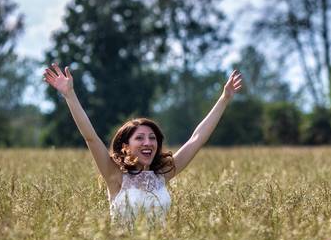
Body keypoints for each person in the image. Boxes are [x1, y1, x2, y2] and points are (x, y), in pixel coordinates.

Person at [43, 62, 243, 222]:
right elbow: (91, 137)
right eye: (139, 138)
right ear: (125, 146)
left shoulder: (163, 173)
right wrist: (69, 95)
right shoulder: (114, 175)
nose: (148, 143)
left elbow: (196, 139)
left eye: (152, 138)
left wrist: (224, 99)